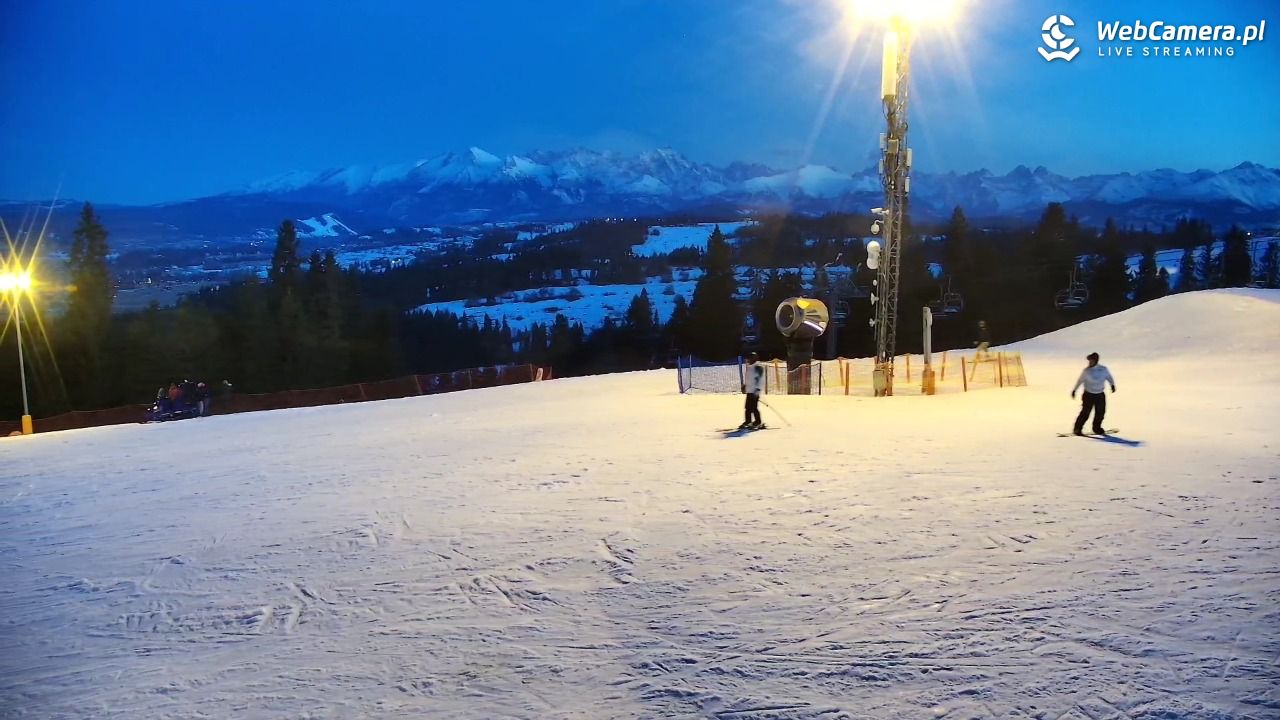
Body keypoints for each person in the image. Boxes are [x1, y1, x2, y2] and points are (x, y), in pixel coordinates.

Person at [1071, 352, 1116, 435]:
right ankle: (1077, 429)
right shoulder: (1086, 371)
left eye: (1091, 361)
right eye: (1089, 361)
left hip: (1100, 395)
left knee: (1100, 412)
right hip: (1088, 395)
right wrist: (1074, 390)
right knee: (1085, 413)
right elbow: (1080, 380)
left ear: (1095, 361)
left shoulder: (1103, 369)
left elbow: (1109, 377)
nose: (1089, 362)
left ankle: (1097, 428)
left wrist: (1112, 385)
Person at [739, 352, 765, 430]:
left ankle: (758, 422)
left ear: (754, 359)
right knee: (747, 407)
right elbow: (750, 379)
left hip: (755, 391)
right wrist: (745, 387)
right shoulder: (750, 367)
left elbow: (760, 380)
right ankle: (748, 421)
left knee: (754, 407)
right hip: (749, 391)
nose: (747, 360)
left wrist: (757, 389)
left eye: (749, 359)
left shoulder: (758, 367)